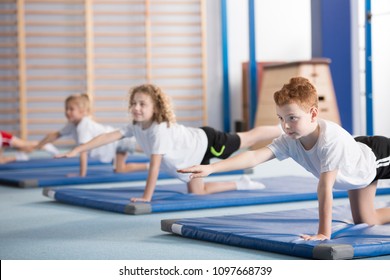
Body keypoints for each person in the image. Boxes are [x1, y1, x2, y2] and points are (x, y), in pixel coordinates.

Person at [179, 76, 390, 241]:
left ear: (314, 114)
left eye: (292, 118)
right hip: (358, 170)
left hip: (377, 156)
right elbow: (254, 156)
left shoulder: (329, 141)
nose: (285, 125)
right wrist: (211, 169)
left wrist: (323, 233)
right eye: (281, 118)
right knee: (366, 220)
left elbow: (325, 188)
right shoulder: (290, 139)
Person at [56, 84, 282, 201]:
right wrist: (79, 148)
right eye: (134, 103)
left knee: (248, 137)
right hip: (193, 157)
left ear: (155, 108)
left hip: (207, 141)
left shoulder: (158, 131)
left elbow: (155, 167)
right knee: (197, 193)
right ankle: (241, 184)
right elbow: (108, 136)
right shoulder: (135, 125)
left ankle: (279, 128)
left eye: (143, 104)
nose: (136, 108)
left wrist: (147, 197)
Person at [34, 93, 147, 177]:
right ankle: (150, 166)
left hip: (118, 141)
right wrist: (39, 144)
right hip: (114, 144)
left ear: (83, 112)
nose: (67, 112)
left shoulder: (84, 125)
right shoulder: (72, 124)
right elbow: (56, 135)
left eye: (71, 109)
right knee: (120, 169)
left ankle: (156, 161)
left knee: (145, 149)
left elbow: (83, 152)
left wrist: (81, 175)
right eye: (66, 109)